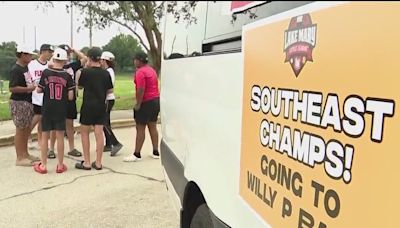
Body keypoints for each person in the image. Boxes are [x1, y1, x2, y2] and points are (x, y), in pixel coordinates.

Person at [33, 48, 75, 174]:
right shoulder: (67, 75)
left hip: (47, 108)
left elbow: (39, 90)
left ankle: (44, 165)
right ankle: (60, 165)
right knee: (60, 136)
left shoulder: (46, 72)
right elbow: (71, 96)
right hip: (60, 109)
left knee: (45, 136)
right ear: (64, 60)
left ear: (54, 59)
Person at [75, 47, 113, 170]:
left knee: (85, 133)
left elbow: (79, 87)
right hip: (101, 105)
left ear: (89, 58)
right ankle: (98, 162)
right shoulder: (106, 73)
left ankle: (86, 162)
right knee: (99, 133)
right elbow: (110, 90)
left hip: (88, 105)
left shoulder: (84, 72)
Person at [47, 44, 87, 159]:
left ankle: (71, 148)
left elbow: (84, 59)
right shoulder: (52, 66)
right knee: (54, 126)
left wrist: (74, 50)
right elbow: (49, 63)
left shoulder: (72, 66)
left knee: (69, 124)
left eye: (68, 54)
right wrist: (56, 55)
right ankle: (51, 149)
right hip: (57, 99)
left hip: (70, 99)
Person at [123, 52, 160, 162]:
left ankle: (137, 154)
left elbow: (140, 89)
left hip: (146, 102)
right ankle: (155, 151)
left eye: (135, 59)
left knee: (140, 127)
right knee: (152, 126)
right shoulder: (151, 70)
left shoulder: (140, 72)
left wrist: (138, 104)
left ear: (139, 60)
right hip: (155, 100)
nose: (134, 62)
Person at [9, 45, 40, 166]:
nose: (31, 57)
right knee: (20, 130)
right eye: (29, 55)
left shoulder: (25, 68)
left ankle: (25, 153)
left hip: (27, 101)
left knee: (26, 129)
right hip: (19, 102)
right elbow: (12, 88)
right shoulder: (16, 70)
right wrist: (29, 88)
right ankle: (19, 157)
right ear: (22, 55)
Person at [28, 44, 54, 150]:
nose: (50, 54)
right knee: (35, 118)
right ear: (43, 51)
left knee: (43, 121)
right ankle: (26, 137)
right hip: (35, 96)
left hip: (46, 96)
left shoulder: (49, 65)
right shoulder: (32, 64)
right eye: (49, 52)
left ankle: (40, 141)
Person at [101, 51, 123, 156]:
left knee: (103, 122)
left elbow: (107, 87)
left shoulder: (108, 72)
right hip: (108, 99)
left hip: (107, 99)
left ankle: (115, 143)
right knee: (106, 122)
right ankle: (108, 144)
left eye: (101, 60)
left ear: (105, 60)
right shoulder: (108, 71)